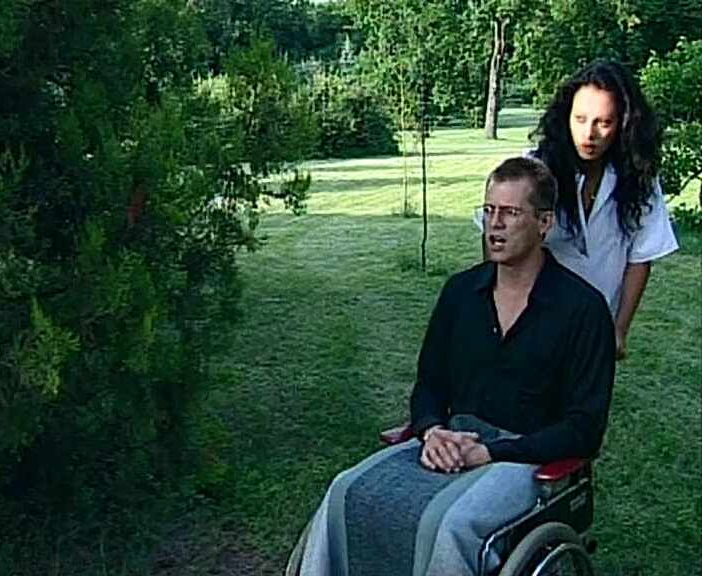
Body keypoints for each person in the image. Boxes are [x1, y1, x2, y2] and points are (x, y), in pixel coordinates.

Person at [285, 156, 617, 576]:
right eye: (489, 210)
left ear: (544, 222)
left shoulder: (582, 310)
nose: (494, 225)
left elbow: (584, 429)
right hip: (450, 438)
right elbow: (430, 384)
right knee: (345, 490)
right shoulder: (460, 294)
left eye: (511, 213)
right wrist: (431, 430)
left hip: (526, 457)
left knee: (449, 525)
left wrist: (491, 452)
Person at [477, 59, 679, 360]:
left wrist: (619, 329)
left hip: (595, 328)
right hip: (530, 320)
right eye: (580, 119)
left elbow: (640, 257)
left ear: (624, 124)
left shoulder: (639, 180)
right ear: (566, 116)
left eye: (604, 122)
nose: (589, 134)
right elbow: (494, 237)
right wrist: (497, 310)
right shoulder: (535, 170)